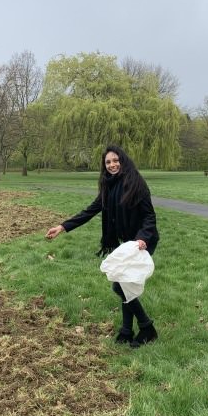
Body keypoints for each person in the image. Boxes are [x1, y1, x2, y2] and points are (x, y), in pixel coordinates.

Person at [46, 145, 160, 348]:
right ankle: (127, 331)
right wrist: (63, 227)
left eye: (115, 160)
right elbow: (91, 210)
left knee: (121, 284)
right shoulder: (107, 185)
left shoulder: (136, 183)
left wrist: (142, 238)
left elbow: (149, 216)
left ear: (122, 160)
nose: (112, 165)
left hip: (142, 241)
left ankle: (147, 327)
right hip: (126, 243)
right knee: (124, 283)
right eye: (108, 162)